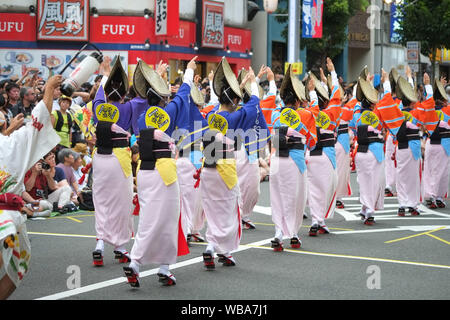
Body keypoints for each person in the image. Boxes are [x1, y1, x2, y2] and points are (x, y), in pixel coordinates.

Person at [122, 57, 193, 288]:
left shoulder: (142, 116)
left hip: (144, 171)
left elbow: (151, 102)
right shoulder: (169, 112)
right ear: (163, 98)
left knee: (149, 219)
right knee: (168, 220)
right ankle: (159, 267)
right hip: (165, 172)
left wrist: (160, 77)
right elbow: (182, 96)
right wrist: (189, 73)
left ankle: (139, 263)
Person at [0, 74, 61, 300]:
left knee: (18, 267)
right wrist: (50, 89)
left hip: (11, 216)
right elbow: (39, 119)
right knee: (16, 265)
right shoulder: (11, 145)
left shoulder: (9, 142)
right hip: (6, 219)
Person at [200, 58, 259, 268]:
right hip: (225, 171)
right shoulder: (236, 117)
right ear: (234, 101)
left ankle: (213, 247)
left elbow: (225, 106)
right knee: (231, 210)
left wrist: (238, 89)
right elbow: (254, 105)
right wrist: (252, 83)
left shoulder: (210, 114)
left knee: (213, 211)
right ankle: (220, 250)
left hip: (207, 170)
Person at [90, 56, 134, 267]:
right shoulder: (129, 108)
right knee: (122, 203)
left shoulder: (98, 106)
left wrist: (106, 73)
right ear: (125, 93)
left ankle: (100, 245)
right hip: (120, 159)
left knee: (102, 202)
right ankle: (120, 246)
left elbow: (99, 94)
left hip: (100, 158)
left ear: (107, 93)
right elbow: (147, 98)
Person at [269, 63, 317, 251]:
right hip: (295, 161)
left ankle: (278, 233)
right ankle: (293, 234)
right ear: (298, 100)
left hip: (276, 160)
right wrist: (312, 93)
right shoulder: (306, 114)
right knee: (295, 198)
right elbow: (312, 142)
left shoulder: (275, 114)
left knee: (277, 197)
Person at [350, 68, 404, 225]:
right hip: (375, 152)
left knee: (364, 181)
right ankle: (369, 210)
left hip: (361, 152)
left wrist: (362, 86)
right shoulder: (379, 111)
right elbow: (388, 100)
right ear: (374, 103)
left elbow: (355, 101)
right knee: (374, 181)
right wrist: (386, 82)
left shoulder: (356, 113)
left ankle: (365, 208)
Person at [305, 58, 340, 236]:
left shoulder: (309, 112)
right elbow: (336, 96)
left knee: (313, 188)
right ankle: (319, 220)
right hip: (327, 154)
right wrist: (332, 74)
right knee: (328, 187)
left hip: (311, 154)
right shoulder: (331, 111)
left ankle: (316, 220)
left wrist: (312, 92)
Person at [235, 66, 273, 230]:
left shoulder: (239, 107)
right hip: (237, 150)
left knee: (251, 186)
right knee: (244, 186)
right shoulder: (248, 108)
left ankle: (242, 215)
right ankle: (239, 215)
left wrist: (253, 80)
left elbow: (253, 97)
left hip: (245, 150)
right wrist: (267, 81)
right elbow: (258, 98)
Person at [423, 76, 450, 209]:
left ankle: (433, 195)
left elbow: (428, 100)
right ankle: (435, 196)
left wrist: (429, 85)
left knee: (429, 170)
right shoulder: (448, 110)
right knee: (442, 172)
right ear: (444, 100)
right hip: (443, 145)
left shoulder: (429, 110)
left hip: (430, 143)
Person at [24, 151, 74, 216]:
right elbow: (28, 188)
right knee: (44, 204)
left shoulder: (44, 172)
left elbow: (53, 187)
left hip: (45, 199)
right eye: (38, 162)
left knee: (67, 188)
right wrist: (34, 173)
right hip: (33, 201)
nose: (40, 164)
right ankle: (45, 211)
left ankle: (60, 207)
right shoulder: (28, 172)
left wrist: (48, 176)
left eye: (41, 162)